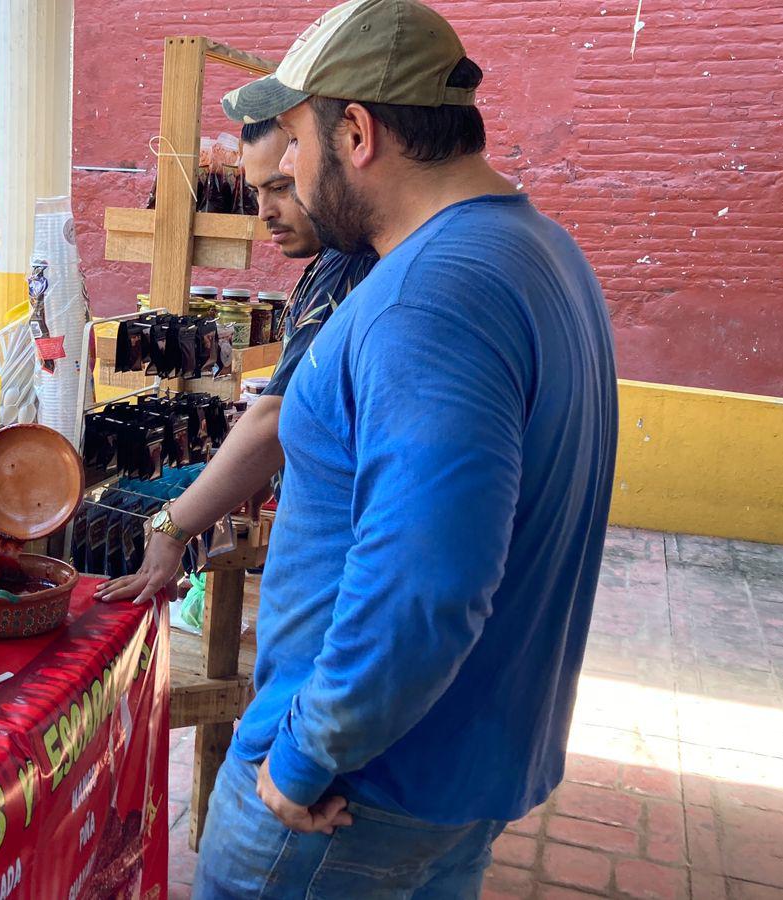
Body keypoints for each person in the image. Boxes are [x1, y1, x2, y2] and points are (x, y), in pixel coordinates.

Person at [195, 1, 619, 897]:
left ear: (357, 133)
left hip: (353, 796)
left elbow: (427, 581)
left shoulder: (427, 298)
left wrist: (305, 756)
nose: (289, 171)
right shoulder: (537, 248)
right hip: (458, 766)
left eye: (296, 143)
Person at [95, 119, 378, 605]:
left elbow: (277, 418)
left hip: (339, 557)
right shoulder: (334, 260)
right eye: (255, 191)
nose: (264, 211)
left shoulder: (349, 267)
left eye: (282, 186)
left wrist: (173, 525)